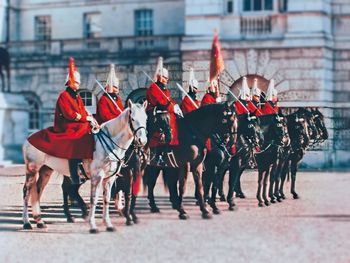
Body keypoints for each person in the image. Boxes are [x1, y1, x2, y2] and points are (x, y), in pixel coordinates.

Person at [28, 57, 97, 184]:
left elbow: (82, 110)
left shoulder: (77, 96)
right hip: (67, 125)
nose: (78, 85)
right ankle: (74, 170)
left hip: (77, 124)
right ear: (70, 82)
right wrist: (84, 118)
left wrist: (90, 118)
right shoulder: (64, 96)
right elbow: (69, 114)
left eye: (78, 83)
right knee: (78, 135)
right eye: (76, 82)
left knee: (89, 131)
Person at [146, 57, 182, 147]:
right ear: (159, 77)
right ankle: (167, 142)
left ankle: (174, 143)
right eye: (164, 78)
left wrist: (175, 106)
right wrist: (171, 107)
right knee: (166, 118)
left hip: (166, 113)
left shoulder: (165, 89)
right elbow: (160, 103)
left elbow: (169, 100)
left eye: (167, 78)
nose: (166, 80)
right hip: (157, 114)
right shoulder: (153, 88)